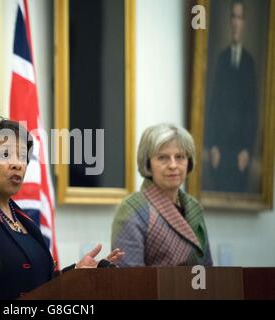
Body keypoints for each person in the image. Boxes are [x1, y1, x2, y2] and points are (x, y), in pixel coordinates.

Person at [0, 114, 124, 300]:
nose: (18, 164)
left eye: (23, 156)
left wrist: (76, 272)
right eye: (6, 154)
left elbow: (39, 285)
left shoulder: (21, 216)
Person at [111, 124, 213, 266]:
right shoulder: (132, 210)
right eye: (163, 158)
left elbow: (209, 270)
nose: (173, 165)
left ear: (188, 162)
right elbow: (128, 280)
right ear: (148, 163)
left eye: (180, 157)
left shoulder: (193, 207)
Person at [203, 0, 258, 193]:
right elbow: (214, 105)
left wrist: (247, 150)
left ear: (244, 23)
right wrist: (212, 145)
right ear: (230, 21)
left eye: (239, 17)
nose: (236, 22)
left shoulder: (249, 63)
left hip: (240, 151)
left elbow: (252, 110)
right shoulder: (222, 58)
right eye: (233, 17)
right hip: (221, 147)